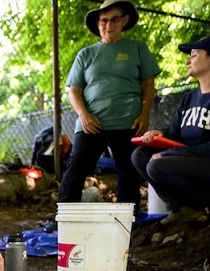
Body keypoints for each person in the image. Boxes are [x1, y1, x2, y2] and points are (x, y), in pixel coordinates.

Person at [57, 0, 161, 213]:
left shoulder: (137, 48)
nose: (108, 24)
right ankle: (64, 218)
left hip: (128, 121)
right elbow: (74, 90)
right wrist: (83, 115)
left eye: (114, 19)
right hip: (91, 123)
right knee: (75, 170)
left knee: (128, 173)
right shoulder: (85, 54)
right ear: (98, 25)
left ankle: (127, 221)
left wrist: (144, 114)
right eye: (103, 20)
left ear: (124, 21)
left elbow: (149, 85)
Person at [131, 36, 210, 224]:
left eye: (194, 54)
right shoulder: (189, 98)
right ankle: (182, 209)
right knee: (139, 155)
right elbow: (173, 133)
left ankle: (204, 203)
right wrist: (159, 135)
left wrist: (170, 154)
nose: (187, 60)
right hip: (187, 161)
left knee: (157, 165)